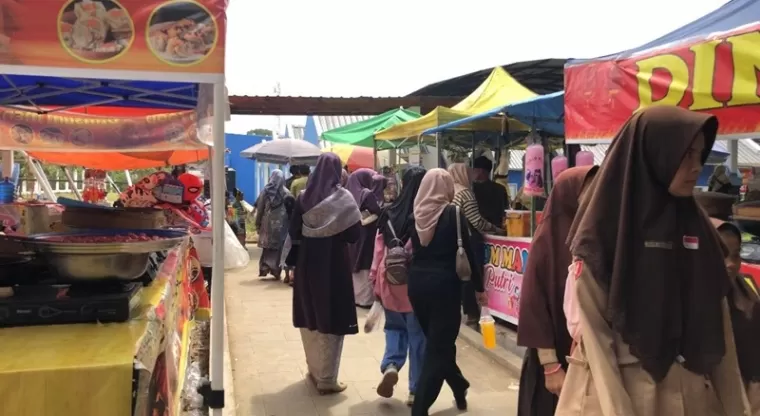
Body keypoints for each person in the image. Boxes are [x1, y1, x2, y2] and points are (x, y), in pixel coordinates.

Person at [556, 106, 749, 415]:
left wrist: (737, 408)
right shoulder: (605, 235)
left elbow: (720, 333)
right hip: (622, 397)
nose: (695, 167)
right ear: (652, 154)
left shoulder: (700, 232)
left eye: (700, 155)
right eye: (685, 154)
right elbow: (597, 342)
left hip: (693, 397)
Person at [516, 166, 598, 416]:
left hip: (588, 358)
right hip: (554, 360)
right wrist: (550, 366)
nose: (595, 196)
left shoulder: (593, 234)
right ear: (568, 194)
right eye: (588, 190)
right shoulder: (547, 242)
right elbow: (533, 304)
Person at [409, 168, 485, 416]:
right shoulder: (454, 213)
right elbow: (469, 253)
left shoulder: (416, 214)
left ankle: (459, 385)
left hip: (417, 287)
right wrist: (479, 288)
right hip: (445, 288)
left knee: (439, 344)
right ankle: (419, 409)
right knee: (437, 348)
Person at [290, 152, 361, 394]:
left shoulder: (302, 198)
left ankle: (314, 369)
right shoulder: (345, 199)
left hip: (307, 264)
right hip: (334, 267)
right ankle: (328, 379)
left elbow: (294, 232)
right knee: (332, 316)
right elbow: (354, 236)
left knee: (310, 313)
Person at [697, 194, 760, 415]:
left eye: (736, 255)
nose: (731, 264)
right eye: (722, 255)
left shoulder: (746, 288)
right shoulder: (688, 300)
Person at [371, 166, 427, 407]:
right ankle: (415, 390)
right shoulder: (425, 215)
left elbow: (378, 249)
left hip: (390, 280)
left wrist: (375, 280)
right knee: (418, 337)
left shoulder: (389, 211)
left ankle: (391, 365)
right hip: (415, 285)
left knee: (394, 328)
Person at [448, 162, 502, 326]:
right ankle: (472, 312)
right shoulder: (465, 193)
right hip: (468, 239)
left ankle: (464, 309)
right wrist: (497, 230)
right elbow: (476, 221)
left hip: (452, 238)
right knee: (470, 275)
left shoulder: (449, 191)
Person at [346, 168, 383, 308]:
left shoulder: (347, 192)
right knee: (365, 262)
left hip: (352, 231)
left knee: (354, 261)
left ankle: (355, 297)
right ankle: (365, 299)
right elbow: (377, 210)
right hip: (366, 233)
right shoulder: (367, 194)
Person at [255, 170, 294, 279]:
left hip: (268, 223)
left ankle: (265, 267)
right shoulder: (286, 192)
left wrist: (257, 223)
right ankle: (276, 270)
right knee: (279, 248)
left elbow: (260, 208)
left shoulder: (265, 191)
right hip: (282, 224)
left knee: (267, 247)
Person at [472, 156, 510, 227]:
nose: (471, 172)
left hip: (478, 229)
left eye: (473, 169)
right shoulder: (501, 189)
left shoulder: (472, 189)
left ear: (480, 171)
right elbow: (506, 210)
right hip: (497, 228)